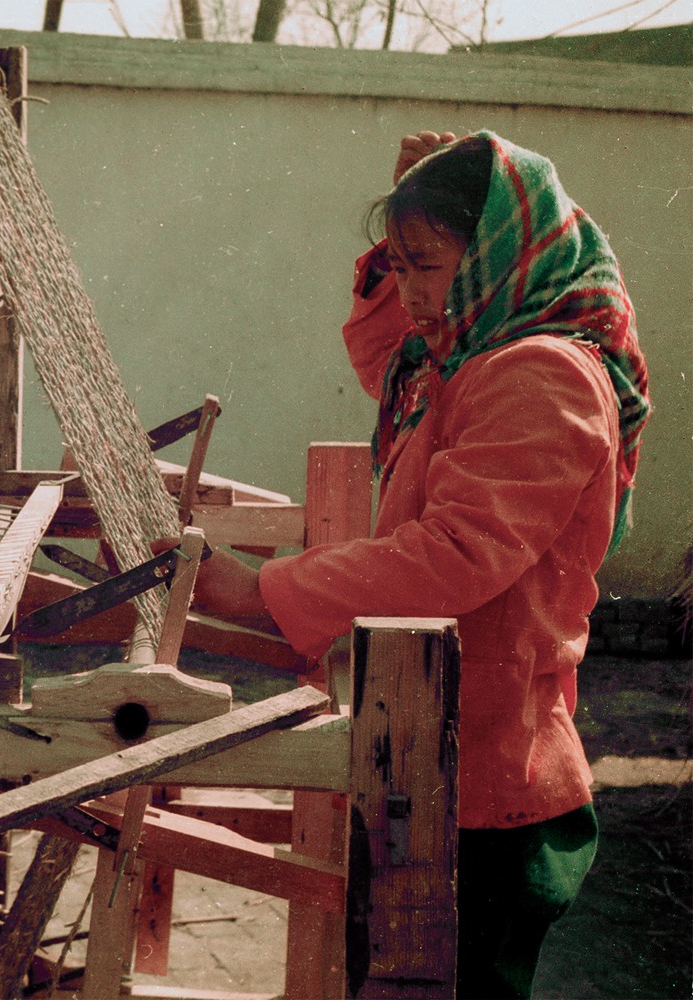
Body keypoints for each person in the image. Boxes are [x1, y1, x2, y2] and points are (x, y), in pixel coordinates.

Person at [191, 130, 651, 997]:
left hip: (488, 782)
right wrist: (412, 233)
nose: (406, 291)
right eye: (395, 267)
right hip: (433, 752)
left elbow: (455, 555)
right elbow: (383, 351)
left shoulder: (541, 375)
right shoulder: (459, 359)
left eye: (426, 266)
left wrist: (261, 590)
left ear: (497, 260)